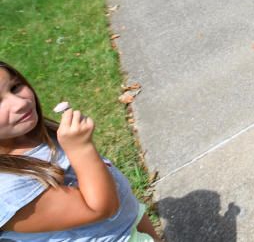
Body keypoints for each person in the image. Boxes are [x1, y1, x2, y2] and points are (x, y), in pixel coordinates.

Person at [0, 62, 160, 241]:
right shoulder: (6, 192)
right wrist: (81, 148)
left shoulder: (31, 133)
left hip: (128, 222)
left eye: (15, 87)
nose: (20, 103)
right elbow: (100, 209)